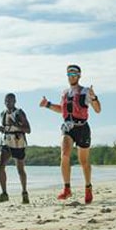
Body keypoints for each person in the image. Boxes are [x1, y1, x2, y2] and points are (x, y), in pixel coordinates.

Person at [39, 64, 101, 204]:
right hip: (68, 127)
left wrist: (94, 97)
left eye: (74, 74)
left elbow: (98, 110)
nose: (71, 77)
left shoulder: (85, 91)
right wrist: (47, 104)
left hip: (82, 128)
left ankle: (88, 187)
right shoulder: (65, 93)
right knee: (64, 154)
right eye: (69, 74)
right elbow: (62, 109)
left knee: (83, 161)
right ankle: (67, 188)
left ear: (79, 76)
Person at [0, 93, 31, 204]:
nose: (8, 103)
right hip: (6, 142)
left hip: (18, 143)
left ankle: (24, 193)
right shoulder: (3, 113)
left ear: (15, 101)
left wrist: (15, 124)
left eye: (10, 101)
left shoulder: (19, 112)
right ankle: (4, 193)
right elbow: (6, 127)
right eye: (6, 100)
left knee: (20, 169)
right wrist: (2, 129)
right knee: (0, 166)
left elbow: (28, 129)